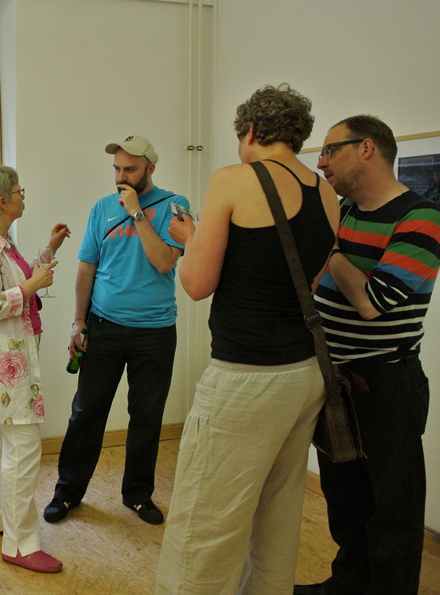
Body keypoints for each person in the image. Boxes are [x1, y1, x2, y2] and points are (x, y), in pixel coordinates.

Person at [155, 84, 340, 594]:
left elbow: (197, 284)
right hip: (304, 374)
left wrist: (190, 239)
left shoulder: (234, 179)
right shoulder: (325, 192)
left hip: (246, 379)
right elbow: (310, 277)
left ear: (252, 131)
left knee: (204, 525)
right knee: (277, 519)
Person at [295, 116, 440, 595]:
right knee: (345, 498)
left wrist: (332, 249)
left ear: (367, 148)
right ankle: (347, 585)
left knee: (392, 509)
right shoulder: (346, 210)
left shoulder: (421, 218)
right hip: (337, 379)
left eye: (330, 150)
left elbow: (372, 302)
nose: (321, 163)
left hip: (386, 384)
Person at [44, 135, 187, 526]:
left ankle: (138, 495)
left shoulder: (175, 207)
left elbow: (164, 262)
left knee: (146, 417)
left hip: (155, 331)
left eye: (130, 169)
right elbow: (86, 267)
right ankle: (67, 492)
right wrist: (79, 321)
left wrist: (138, 213)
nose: (121, 176)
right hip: (103, 327)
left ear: (150, 169)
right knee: (86, 413)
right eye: (117, 169)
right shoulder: (102, 209)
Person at [0, 165, 70, 573]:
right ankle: (21, 545)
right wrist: (32, 285)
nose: (23, 195)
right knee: (23, 448)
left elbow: (22, 279)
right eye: (18, 190)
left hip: (11, 357)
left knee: (2, 440)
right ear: (2, 201)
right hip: (4, 365)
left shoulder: (1, 242)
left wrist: (48, 252)